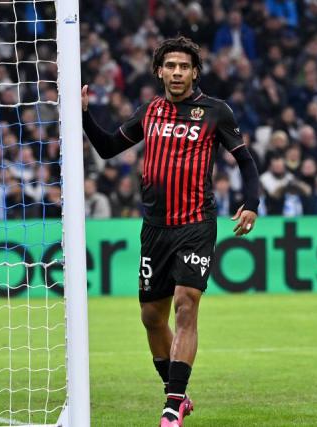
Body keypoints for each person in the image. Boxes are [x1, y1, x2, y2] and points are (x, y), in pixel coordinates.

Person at [80, 36, 260, 427]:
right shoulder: (150, 112)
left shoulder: (215, 112)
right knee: (150, 317)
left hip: (196, 224)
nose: (177, 72)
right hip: (155, 229)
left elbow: (245, 161)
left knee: (186, 304)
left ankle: (171, 407)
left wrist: (251, 204)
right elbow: (110, 147)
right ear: (159, 71)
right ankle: (175, 392)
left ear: (195, 72)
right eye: (170, 66)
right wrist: (83, 115)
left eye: (184, 66)